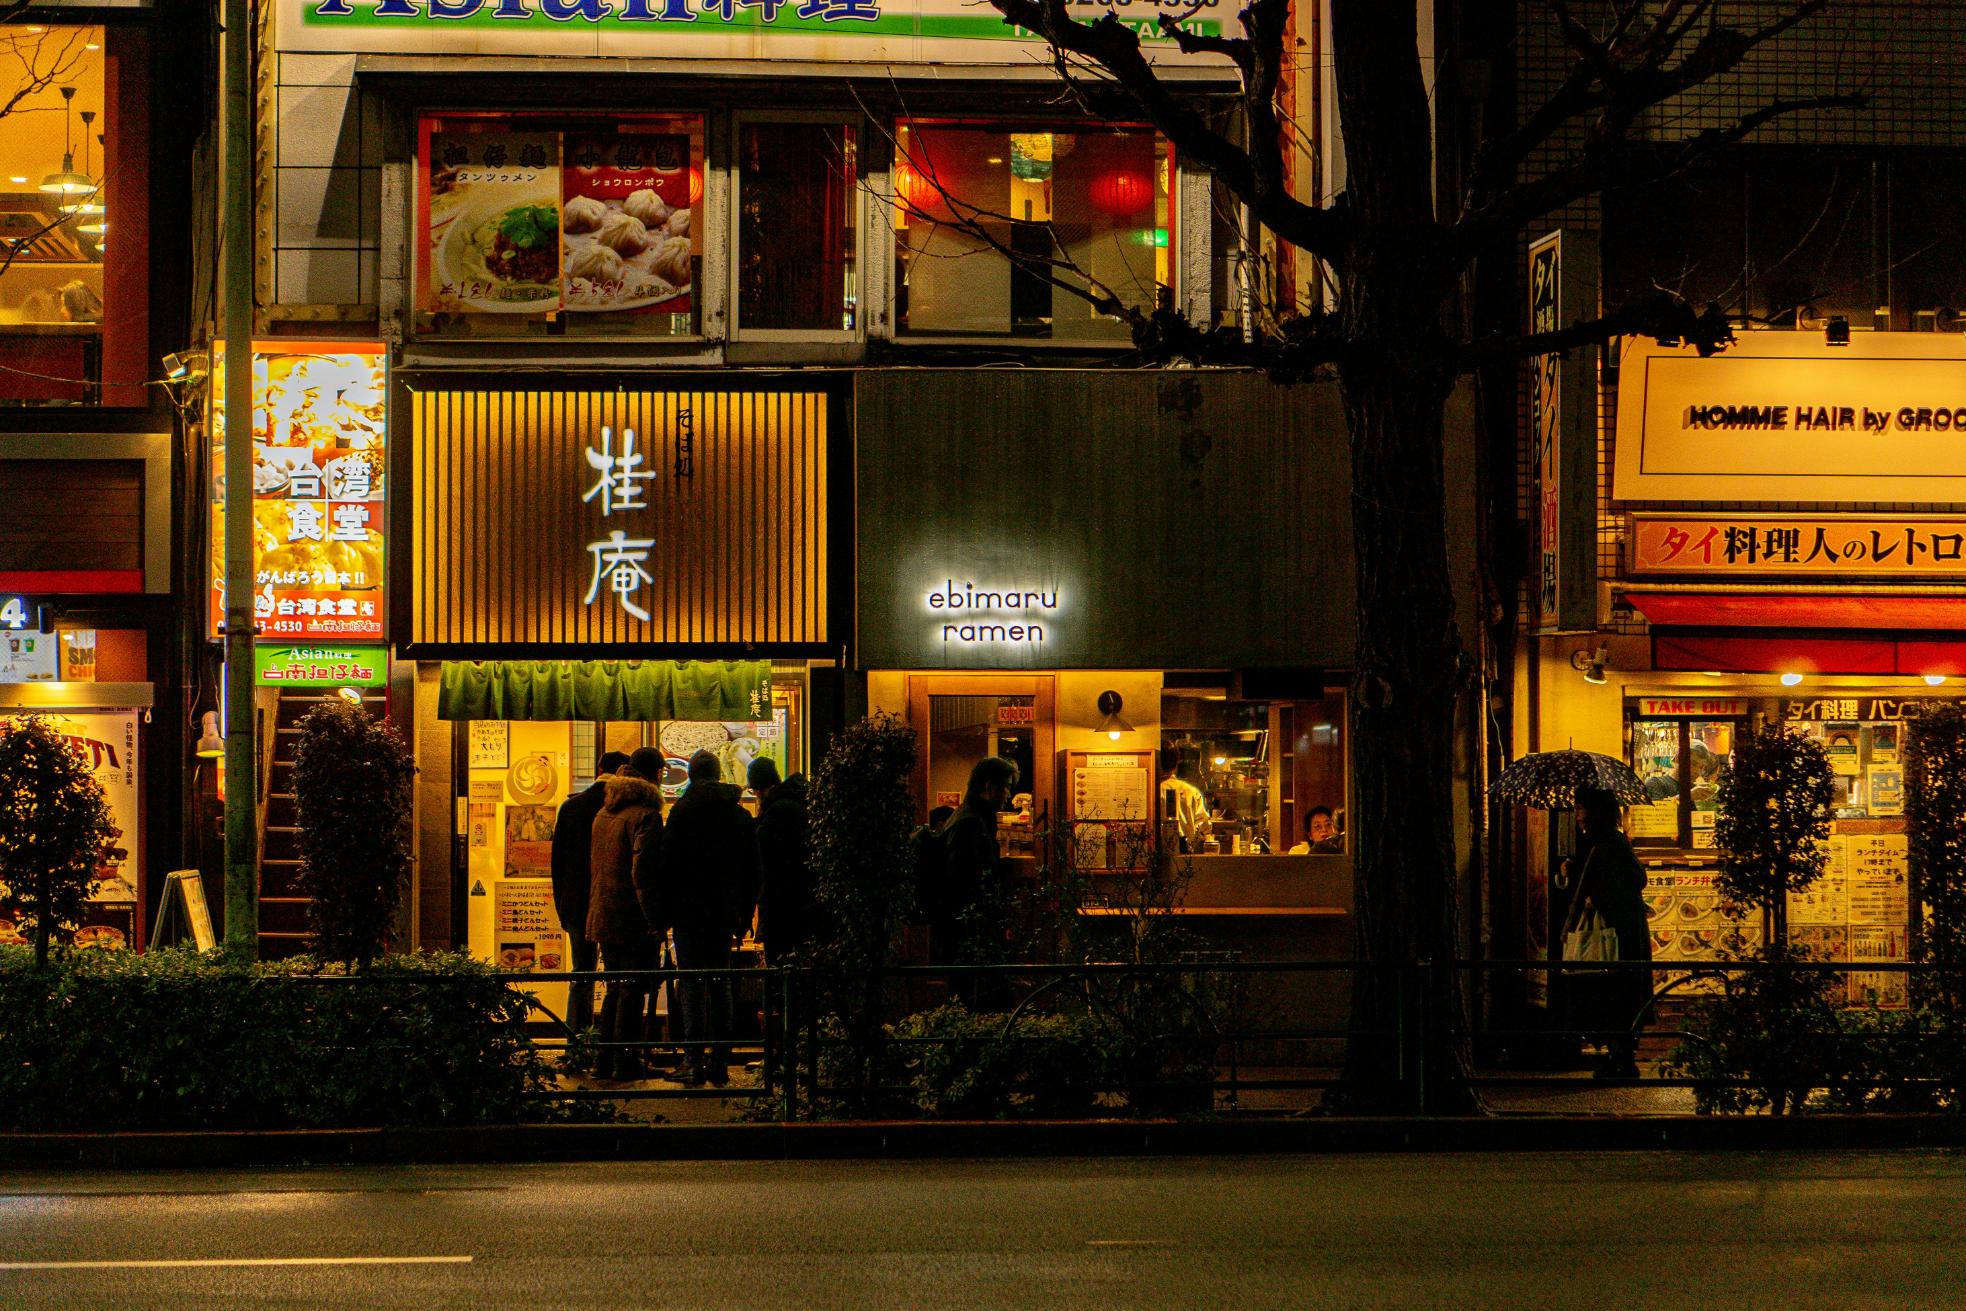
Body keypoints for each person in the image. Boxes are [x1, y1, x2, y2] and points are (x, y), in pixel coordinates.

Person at [658, 749, 761, 1086]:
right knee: (720, 985)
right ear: (719, 775)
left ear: (691, 775)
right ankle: (720, 1060)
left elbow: (667, 865)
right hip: (724, 913)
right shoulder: (739, 815)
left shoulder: (681, 813)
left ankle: (693, 1061)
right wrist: (744, 915)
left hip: (688, 913)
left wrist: (665, 911)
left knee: (690, 984)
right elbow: (752, 872)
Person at [584, 747, 667, 1081]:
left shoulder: (606, 810)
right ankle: (625, 1061)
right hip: (631, 918)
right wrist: (655, 919)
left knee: (615, 987)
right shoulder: (646, 814)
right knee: (631, 990)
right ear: (656, 774)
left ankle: (604, 1060)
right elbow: (643, 873)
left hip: (603, 913)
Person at [1561, 786, 1653, 1079]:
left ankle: (1623, 1060)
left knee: (1615, 995)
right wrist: (1573, 870)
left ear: (1597, 812)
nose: (1577, 814)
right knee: (1608, 995)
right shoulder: (1600, 842)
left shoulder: (1610, 842)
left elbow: (1636, 879)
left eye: (1581, 808)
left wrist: (1597, 897)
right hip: (1616, 933)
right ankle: (1618, 1057)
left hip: (1617, 934)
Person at [551, 750, 630, 1038]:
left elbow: (557, 862)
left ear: (598, 769)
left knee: (581, 974)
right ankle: (610, 1042)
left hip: (576, 902)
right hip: (611, 901)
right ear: (623, 771)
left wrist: (562, 905)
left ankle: (577, 1042)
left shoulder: (572, 807)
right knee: (615, 976)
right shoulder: (623, 807)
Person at [939, 757, 1018, 993]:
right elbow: (966, 880)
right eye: (1004, 787)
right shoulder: (971, 824)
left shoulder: (967, 817)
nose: (1007, 794)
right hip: (968, 929)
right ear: (988, 787)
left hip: (961, 927)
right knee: (973, 990)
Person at [749, 757, 811, 966]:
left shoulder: (776, 812)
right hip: (801, 898)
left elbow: (763, 857)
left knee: (779, 962)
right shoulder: (796, 803)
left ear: (759, 790)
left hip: (781, 901)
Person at [1157, 746, 1209, 854]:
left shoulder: (1152, 791)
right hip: (1187, 854)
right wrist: (1192, 845)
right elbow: (1204, 826)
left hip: (1158, 855)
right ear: (1176, 764)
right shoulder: (1191, 791)